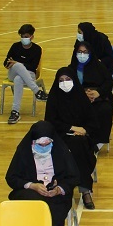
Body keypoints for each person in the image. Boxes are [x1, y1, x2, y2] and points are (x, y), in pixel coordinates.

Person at [6, 121, 79, 226]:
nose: (44, 147)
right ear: (33, 143)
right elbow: (11, 178)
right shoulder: (23, 152)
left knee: (52, 206)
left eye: (47, 144)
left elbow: (74, 177)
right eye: (40, 145)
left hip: (55, 194)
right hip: (29, 193)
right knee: (37, 203)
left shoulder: (61, 151)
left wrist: (59, 189)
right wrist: (32, 185)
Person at [45, 67, 100, 210]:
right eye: (61, 80)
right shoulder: (54, 98)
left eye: (68, 79)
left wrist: (84, 130)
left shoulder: (81, 97)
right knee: (75, 148)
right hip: (61, 137)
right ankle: (82, 189)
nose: (65, 83)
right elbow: (51, 122)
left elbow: (92, 122)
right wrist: (71, 127)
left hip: (82, 138)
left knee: (79, 146)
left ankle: (83, 189)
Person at [3, 24, 50, 125]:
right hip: (12, 73)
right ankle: (37, 91)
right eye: (22, 36)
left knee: (18, 79)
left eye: (26, 36)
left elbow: (33, 67)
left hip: (30, 74)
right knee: (17, 66)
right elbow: (6, 63)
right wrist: (11, 64)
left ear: (32, 37)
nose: (24, 38)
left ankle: (15, 111)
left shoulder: (37, 49)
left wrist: (18, 63)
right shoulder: (15, 46)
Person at [73, 41, 113, 147]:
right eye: (80, 51)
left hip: (97, 98)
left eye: (85, 52)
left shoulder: (98, 66)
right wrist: (82, 95)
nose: (82, 54)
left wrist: (98, 93)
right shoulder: (71, 68)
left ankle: (99, 141)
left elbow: (108, 82)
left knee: (105, 110)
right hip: (78, 99)